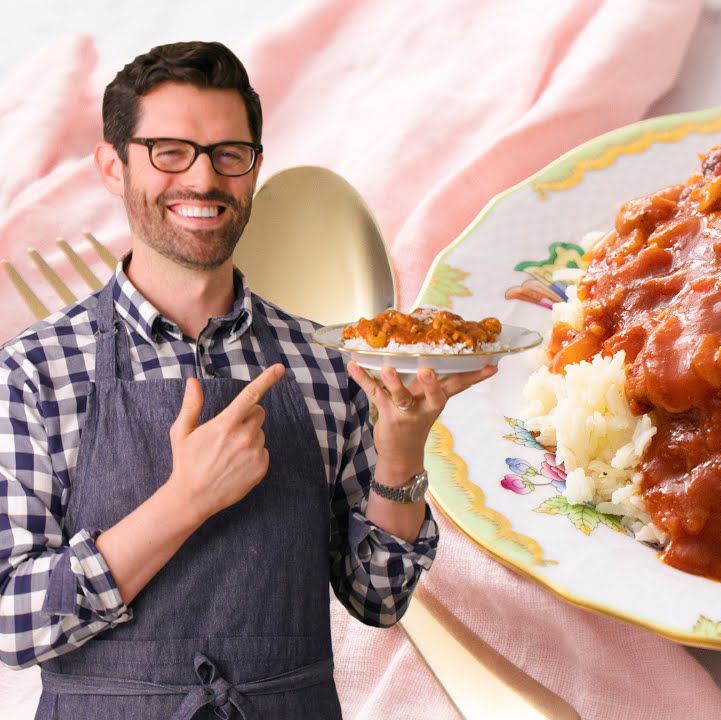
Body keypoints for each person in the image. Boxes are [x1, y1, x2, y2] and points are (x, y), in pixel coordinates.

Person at [0, 41, 495, 718]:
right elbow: (13, 619)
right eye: (170, 152)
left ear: (254, 168)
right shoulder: (35, 371)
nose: (203, 178)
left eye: (229, 153)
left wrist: (403, 451)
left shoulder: (328, 362)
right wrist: (184, 502)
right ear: (113, 166)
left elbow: (378, 595)